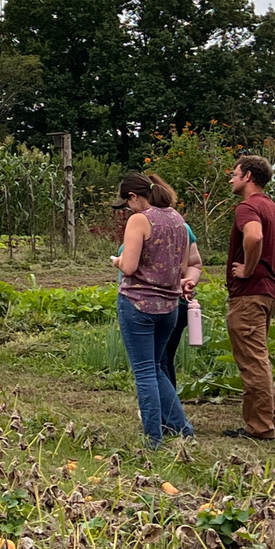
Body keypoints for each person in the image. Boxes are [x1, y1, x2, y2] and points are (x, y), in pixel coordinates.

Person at [113, 172, 195, 446]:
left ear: (134, 196)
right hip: (169, 306)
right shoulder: (177, 219)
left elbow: (130, 266)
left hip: (137, 303)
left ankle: (153, 438)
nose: (127, 208)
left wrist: (117, 260)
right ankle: (182, 428)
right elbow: (184, 267)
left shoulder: (139, 220)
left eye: (127, 202)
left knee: (145, 372)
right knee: (158, 368)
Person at [223, 155, 275, 441]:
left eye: (234, 174)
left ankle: (259, 426)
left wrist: (247, 269)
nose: (231, 179)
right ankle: (270, 414)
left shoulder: (247, 207)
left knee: (251, 360)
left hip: (250, 293)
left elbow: (254, 237)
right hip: (269, 290)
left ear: (248, 176)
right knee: (260, 356)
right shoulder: (270, 206)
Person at [158, 222, 203, 390]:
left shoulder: (178, 228)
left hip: (159, 305)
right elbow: (194, 263)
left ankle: (164, 411)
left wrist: (188, 282)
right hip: (174, 303)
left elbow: (194, 264)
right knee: (163, 360)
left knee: (157, 362)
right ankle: (169, 409)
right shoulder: (183, 227)